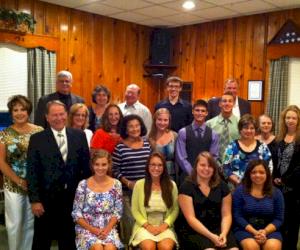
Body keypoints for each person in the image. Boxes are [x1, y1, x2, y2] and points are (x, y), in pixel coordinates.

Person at [27, 100, 91, 250]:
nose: (58, 118)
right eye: (54, 115)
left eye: (61, 114)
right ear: (47, 117)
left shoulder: (79, 135)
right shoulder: (37, 139)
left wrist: (85, 197)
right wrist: (35, 200)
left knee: (68, 240)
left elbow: (85, 169)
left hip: (72, 199)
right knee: (42, 241)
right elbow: (32, 171)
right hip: (45, 200)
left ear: (66, 115)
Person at [0, 95, 43, 250]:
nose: (19, 113)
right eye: (15, 110)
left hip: (35, 187)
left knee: (31, 224)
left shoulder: (39, 131)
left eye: (22, 109)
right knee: (15, 225)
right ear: (11, 113)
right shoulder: (5, 134)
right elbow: (1, 162)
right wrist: (19, 181)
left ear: (28, 111)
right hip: (13, 186)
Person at [177, 151, 238, 250]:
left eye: (210, 166)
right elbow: (191, 219)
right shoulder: (186, 187)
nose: (206, 168)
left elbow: (227, 215)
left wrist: (223, 233)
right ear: (196, 166)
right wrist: (211, 237)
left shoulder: (222, 186)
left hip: (219, 228)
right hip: (194, 231)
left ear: (214, 169)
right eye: (202, 165)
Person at [112, 114, 152, 246]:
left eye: (137, 125)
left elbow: (153, 166)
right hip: (127, 193)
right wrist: (127, 182)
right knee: (130, 225)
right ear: (125, 129)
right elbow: (114, 170)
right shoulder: (120, 147)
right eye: (131, 126)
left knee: (145, 225)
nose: (135, 129)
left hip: (147, 192)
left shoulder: (147, 144)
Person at [72, 150, 123, 250]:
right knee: (97, 248)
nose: (100, 168)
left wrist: (107, 229)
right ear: (92, 165)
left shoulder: (116, 184)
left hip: (108, 229)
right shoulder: (83, 185)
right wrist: (93, 230)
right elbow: (76, 214)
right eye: (97, 164)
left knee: (110, 248)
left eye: (104, 164)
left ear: (109, 165)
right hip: (87, 230)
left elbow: (117, 212)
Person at [130, 152, 179, 250]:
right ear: (148, 166)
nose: (156, 168)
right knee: (149, 247)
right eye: (153, 164)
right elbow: (134, 210)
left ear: (164, 167)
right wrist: (148, 226)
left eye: (160, 165)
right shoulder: (139, 185)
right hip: (143, 226)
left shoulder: (171, 185)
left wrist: (165, 225)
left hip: (164, 226)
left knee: (166, 247)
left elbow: (175, 209)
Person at [233, 159, 284, 250]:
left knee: (272, 247)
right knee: (251, 246)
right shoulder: (239, 191)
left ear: (267, 174)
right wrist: (255, 232)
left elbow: (278, 219)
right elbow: (238, 216)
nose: (257, 175)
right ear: (249, 174)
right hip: (245, 229)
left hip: (270, 230)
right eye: (254, 172)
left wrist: (264, 232)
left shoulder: (276, 193)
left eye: (261, 172)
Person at [273, 105, 300, 250]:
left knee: (293, 223)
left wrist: (285, 180)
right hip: (278, 189)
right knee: (280, 221)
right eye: (288, 118)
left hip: (295, 190)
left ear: (298, 120)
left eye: (294, 118)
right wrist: (276, 177)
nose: (290, 120)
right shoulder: (279, 138)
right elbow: (275, 161)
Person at [223, 114, 272, 189]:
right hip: (236, 188)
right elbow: (225, 167)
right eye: (245, 128)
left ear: (255, 130)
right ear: (240, 130)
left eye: (252, 128)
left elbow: (269, 168)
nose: (249, 131)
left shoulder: (263, 146)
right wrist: (238, 181)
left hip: (258, 188)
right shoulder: (232, 146)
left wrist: (258, 181)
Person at [176, 99, 219, 182]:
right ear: (192, 111)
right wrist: (193, 173)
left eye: (203, 111)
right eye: (197, 110)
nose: (200, 113)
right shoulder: (183, 132)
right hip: (187, 177)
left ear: (206, 113)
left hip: (206, 176)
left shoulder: (214, 134)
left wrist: (204, 172)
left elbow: (214, 157)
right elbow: (181, 158)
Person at [206, 92, 239, 163]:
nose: (227, 103)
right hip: (214, 163)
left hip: (234, 163)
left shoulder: (240, 123)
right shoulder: (209, 124)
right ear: (220, 104)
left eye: (230, 101)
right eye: (224, 101)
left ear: (233, 104)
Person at [148, 108, 177, 180]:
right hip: (154, 175)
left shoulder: (175, 135)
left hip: (171, 175)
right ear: (155, 120)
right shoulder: (148, 137)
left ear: (169, 121)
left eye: (165, 120)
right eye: (159, 119)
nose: (162, 122)